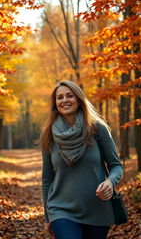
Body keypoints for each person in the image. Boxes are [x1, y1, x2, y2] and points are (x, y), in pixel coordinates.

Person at [40, 80, 123, 239]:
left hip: (97, 208)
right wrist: (47, 217)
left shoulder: (97, 128)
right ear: (55, 103)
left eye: (69, 96)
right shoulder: (48, 135)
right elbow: (47, 179)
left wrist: (110, 182)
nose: (64, 100)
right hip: (61, 209)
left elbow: (116, 166)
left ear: (78, 100)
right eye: (60, 97)